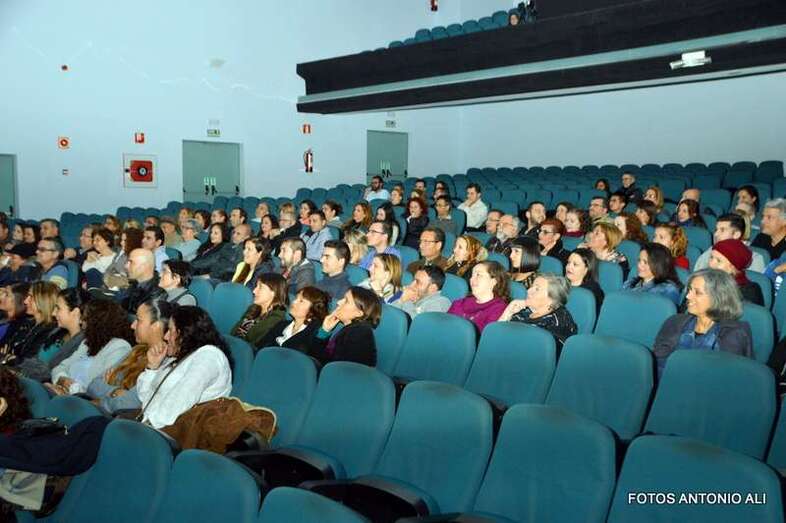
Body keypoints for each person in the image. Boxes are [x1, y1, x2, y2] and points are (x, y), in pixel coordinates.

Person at [136, 305, 232, 429]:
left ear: (185, 333)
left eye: (170, 330)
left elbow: (178, 403)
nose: (165, 337)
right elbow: (144, 398)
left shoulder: (209, 356)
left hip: (175, 431)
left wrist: (144, 427)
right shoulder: (179, 357)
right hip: (154, 423)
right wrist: (152, 368)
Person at [653, 269, 752, 377]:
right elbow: (659, 364)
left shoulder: (733, 334)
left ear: (717, 298)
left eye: (697, 292)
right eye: (689, 290)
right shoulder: (675, 322)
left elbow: (725, 378)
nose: (688, 296)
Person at [88, 299, 172, 413]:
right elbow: (93, 385)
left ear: (156, 326)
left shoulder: (164, 363)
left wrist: (104, 398)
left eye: (139, 320)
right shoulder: (137, 350)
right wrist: (115, 391)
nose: (132, 325)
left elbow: (128, 403)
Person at [47, 299, 134, 395]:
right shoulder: (87, 342)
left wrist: (69, 389)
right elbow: (59, 367)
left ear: (97, 323)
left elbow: (98, 388)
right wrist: (61, 379)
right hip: (62, 393)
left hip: (80, 400)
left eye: (85, 319)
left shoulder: (120, 347)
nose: (81, 323)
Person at [499, 274, 578, 349]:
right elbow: (497, 336)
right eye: (531, 287)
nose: (528, 291)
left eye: (537, 289)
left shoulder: (556, 325)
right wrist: (508, 311)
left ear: (552, 299)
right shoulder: (526, 310)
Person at [1, 282, 63, 370]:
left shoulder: (50, 330)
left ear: (43, 301)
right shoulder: (27, 324)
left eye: (31, 297)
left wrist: (11, 358)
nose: (25, 301)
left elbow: (29, 362)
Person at [253, 286, 331, 355]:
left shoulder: (315, 332)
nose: (294, 302)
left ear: (313, 309)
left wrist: (324, 332)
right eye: (296, 298)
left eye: (301, 301)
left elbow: (315, 355)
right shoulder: (281, 325)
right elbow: (259, 347)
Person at [315, 287, 379, 367]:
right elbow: (320, 358)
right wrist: (324, 331)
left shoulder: (359, 333)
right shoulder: (352, 329)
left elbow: (339, 368)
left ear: (359, 313)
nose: (338, 302)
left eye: (346, 301)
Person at [448, 261, 509, 333]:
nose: (472, 279)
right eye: (472, 275)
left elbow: (486, 337)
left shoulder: (499, 310)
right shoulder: (458, 303)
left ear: (493, 281)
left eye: (478, 275)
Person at [232, 273, 288, 348]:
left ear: (274, 293)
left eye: (260, 287)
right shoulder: (253, 309)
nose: (254, 291)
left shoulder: (276, 320)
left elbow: (252, 345)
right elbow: (234, 333)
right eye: (256, 286)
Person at [694, 213, 766, 273]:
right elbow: (697, 275)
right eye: (716, 230)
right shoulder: (711, 252)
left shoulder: (755, 259)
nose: (716, 234)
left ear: (736, 235)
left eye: (722, 230)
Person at [707, 239, 763, 306]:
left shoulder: (748, 292)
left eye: (719, 261)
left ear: (733, 268)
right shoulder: (704, 281)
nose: (711, 264)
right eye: (711, 257)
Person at [121, 248, 165, 313]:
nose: (126, 266)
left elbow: (142, 316)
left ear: (144, 267)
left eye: (131, 262)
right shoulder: (136, 283)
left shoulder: (157, 292)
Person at [0, 284, 32, 351]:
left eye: (7, 295)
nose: (2, 296)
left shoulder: (19, 328)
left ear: (17, 301)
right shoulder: (5, 318)